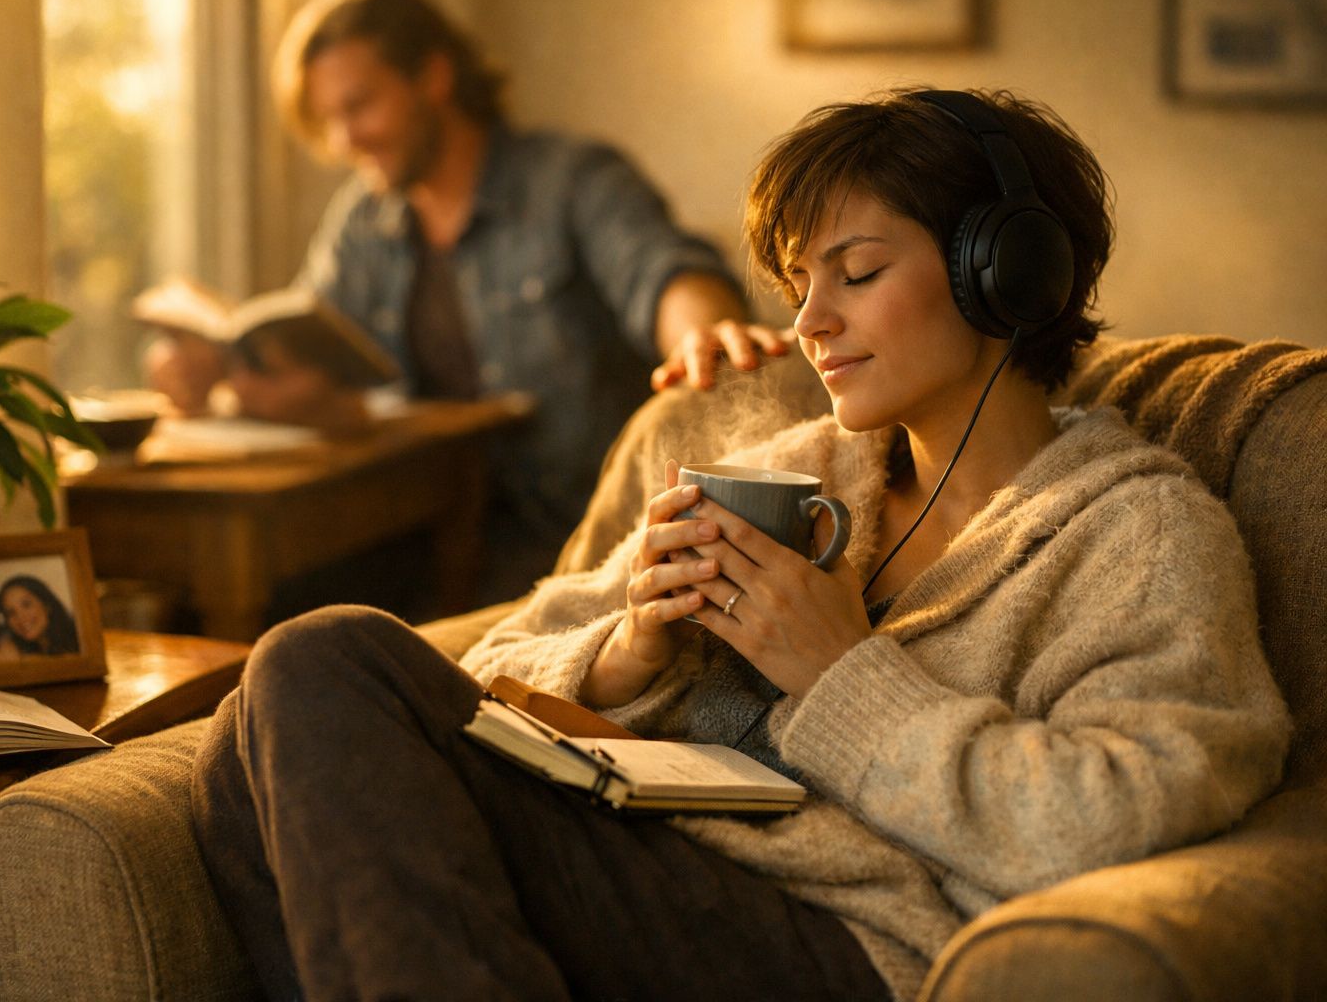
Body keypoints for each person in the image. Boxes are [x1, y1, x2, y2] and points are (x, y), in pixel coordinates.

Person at [189, 87, 1290, 1000]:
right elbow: (487, 668)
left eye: (857, 273)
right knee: (254, 738)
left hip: (848, 944)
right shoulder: (795, 470)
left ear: (1002, 273)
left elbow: (1116, 822)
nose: (809, 323)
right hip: (654, 865)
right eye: (800, 284)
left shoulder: (1137, 534)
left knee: (320, 660)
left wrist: (844, 674)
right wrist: (627, 653)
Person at [148, 0, 789, 562]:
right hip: (421, 537)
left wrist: (703, 333)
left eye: (360, 106)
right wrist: (221, 372)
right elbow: (305, 339)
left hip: (581, 535)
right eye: (331, 120)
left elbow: (665, 272)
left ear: (432, 77)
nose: (345, 141)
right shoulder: (362, 222)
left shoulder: (572, 179)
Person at [0, 575, 81, 656]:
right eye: (11, 613)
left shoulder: (79, 640)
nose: (20, 617)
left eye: (26, 605)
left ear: (46, 604)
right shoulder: (18, 651)